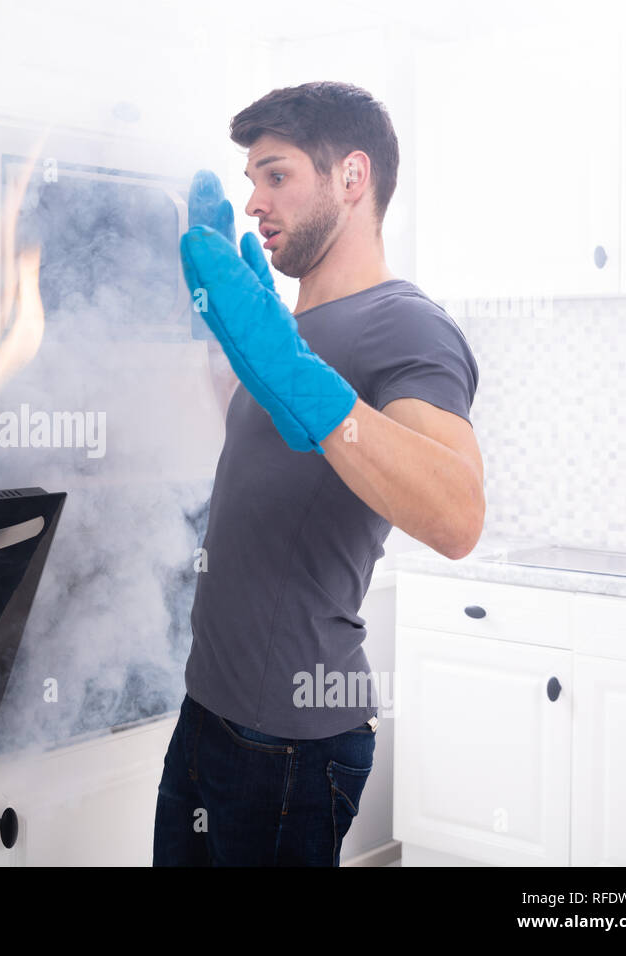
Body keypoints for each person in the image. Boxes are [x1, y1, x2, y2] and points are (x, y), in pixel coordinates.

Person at [154, 81, 484, 866]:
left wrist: (295, 372)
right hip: (208, 714)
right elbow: (270, 450)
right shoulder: (294, 323)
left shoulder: (407, 321)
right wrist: (233, 333)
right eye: (251, 182)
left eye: (276, 176)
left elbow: (458, 516)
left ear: (352, 178)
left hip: (289, 746)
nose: (255, 203)